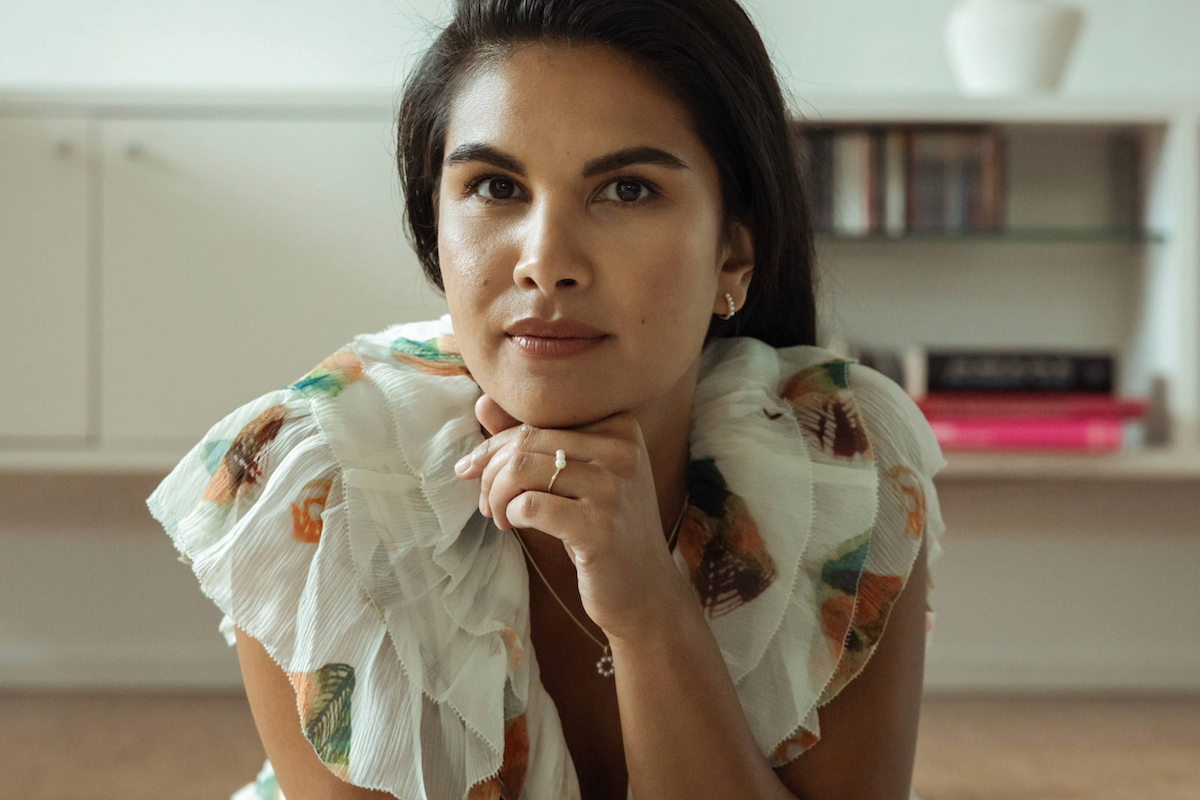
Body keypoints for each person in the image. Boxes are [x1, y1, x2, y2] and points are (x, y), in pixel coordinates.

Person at [146, 1, 949, 799]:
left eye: (627, 191)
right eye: (495, 185)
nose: (546, 262)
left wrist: (647, 610)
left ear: (734, 251)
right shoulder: (316, 480)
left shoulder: (844, 457)